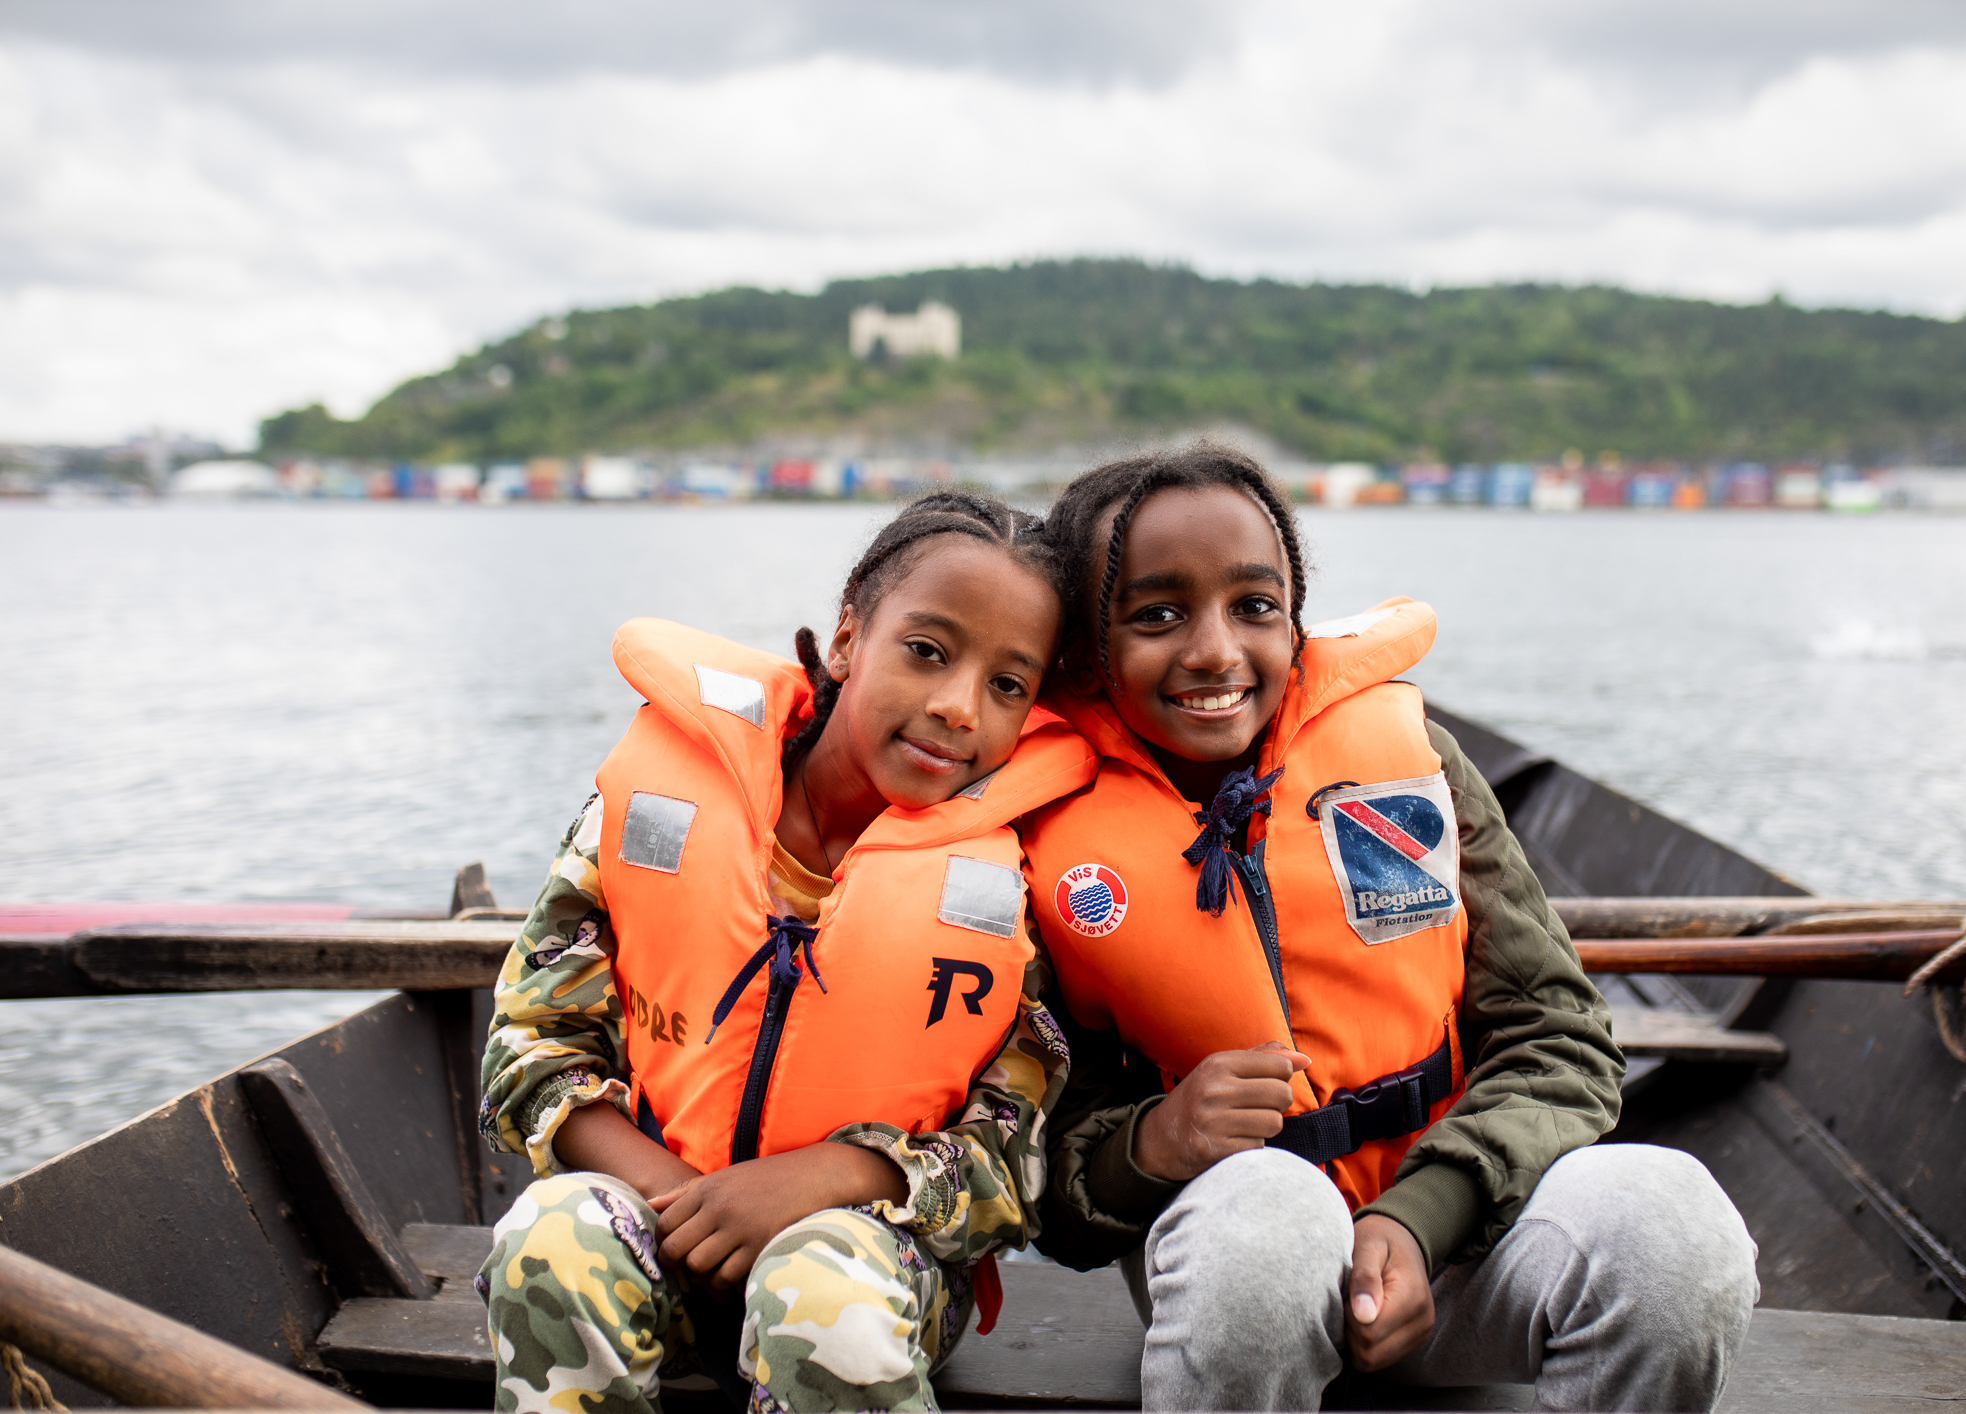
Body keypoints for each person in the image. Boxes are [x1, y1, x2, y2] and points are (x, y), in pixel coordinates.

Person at [1019, 445, 1759, 1412]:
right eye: (1156, 615)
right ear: (1083, 648)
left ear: (1295, 620)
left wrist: (1419, 1219)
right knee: (1269, 1226)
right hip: (1230, 1268)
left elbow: (1562, 1041)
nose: (1213, 650)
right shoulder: (1039, 833)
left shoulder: (1410, 767)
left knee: (1673, 1222)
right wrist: (1157, 1138)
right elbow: (1042, 1178)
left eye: (1254, 606)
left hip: (1462, 1241)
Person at [476, 493, 1096, 1414]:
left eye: (1008, 685)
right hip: (653, 1225)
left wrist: (825, 1180)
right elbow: (527, 1053)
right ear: (847, 639)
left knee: (821, 1289)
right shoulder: (651, 810)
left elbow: (1013, 1160)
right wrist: (691, 1207)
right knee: (549, 1229)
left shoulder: (1016, 881)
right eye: (925, 651)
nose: (957, 707)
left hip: (879, 1269)